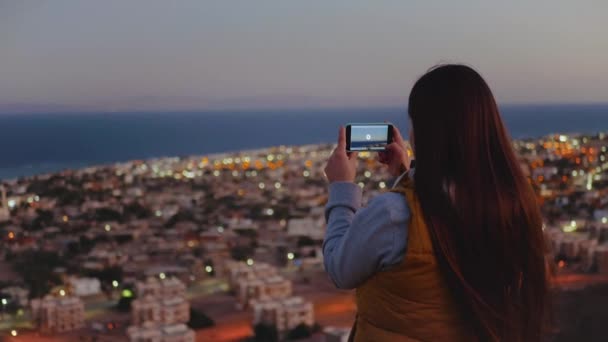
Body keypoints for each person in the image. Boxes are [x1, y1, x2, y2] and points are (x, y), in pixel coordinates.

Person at [323, 64, 548, 341]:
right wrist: (405, 175)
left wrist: (341, 187)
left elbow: (339, 268)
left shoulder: (394, 215)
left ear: (426, 131)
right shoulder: (514, 205)